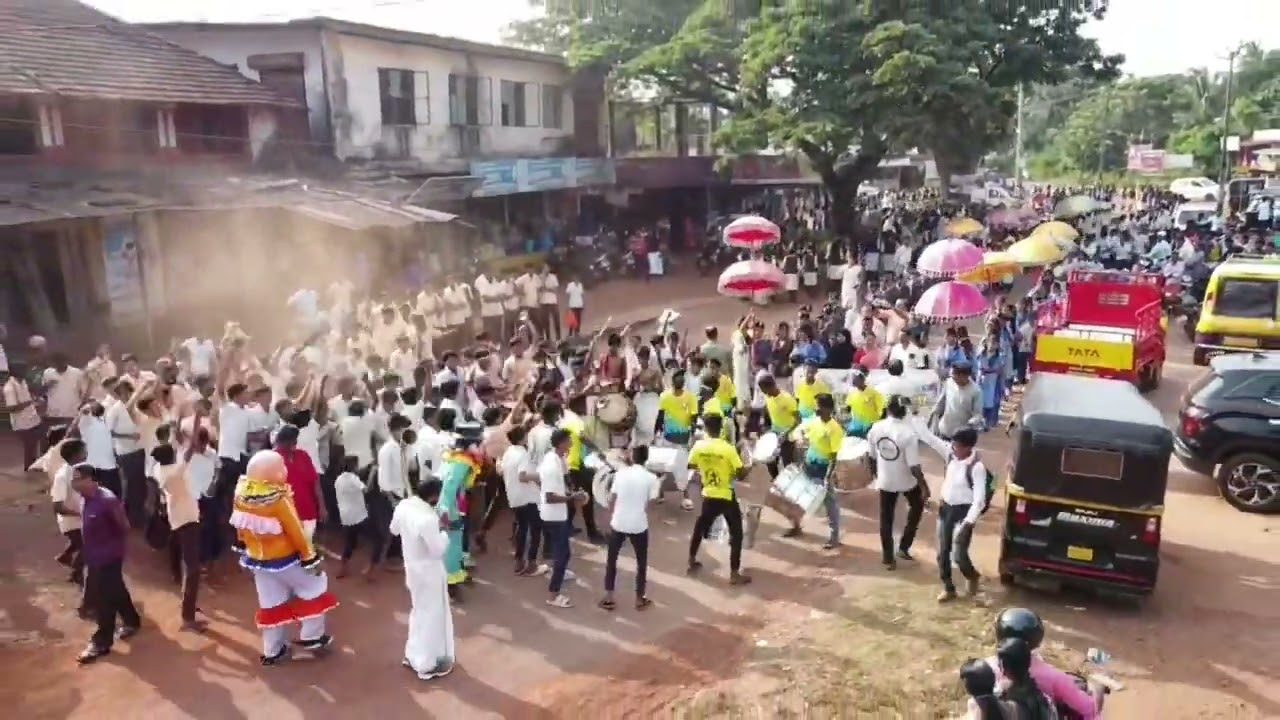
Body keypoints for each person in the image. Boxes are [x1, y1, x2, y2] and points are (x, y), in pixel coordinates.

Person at [230, 449, 338, 665]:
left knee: (271, 604)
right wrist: (310, 557)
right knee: (313, 588)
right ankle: (312, 636)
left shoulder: (241, 494)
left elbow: (240, 528)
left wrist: (243, 550)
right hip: (286, 559)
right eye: (281, 467)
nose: (285, 470)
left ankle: (273, 651)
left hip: (258, 561)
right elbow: (295, 530)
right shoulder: (278, 499)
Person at [72, 462, 141, 664]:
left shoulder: (107, 500)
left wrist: (110, 546)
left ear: (90, 479)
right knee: (115, 588)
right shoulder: (85, 498)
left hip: (109, 556)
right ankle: (132, 620)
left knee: (105, 597)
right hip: (94, 556)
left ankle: (101, 642)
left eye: (77, 478)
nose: (73, 483)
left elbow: (124, 526)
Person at [390, 477, 456, 681]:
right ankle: (427, 665)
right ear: (434, 496)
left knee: (418, 612)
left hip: (412, 570)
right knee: (431, 616)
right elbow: (437, 550)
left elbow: (394, 529)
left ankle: (413, 655)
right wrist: (444, 531)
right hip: (429, 574)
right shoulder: (428, 518)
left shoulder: (403, 506)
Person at [988, 608, 1101, 719]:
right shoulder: (1053, 677)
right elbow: (1088, 708)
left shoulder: (987, 668)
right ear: (1037, 639)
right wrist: (1096, 693)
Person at [916, 425, 985, 600]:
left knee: (959, 555)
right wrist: (911, 417)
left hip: (963, 514)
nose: (953, 449)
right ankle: (948, 587)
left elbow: (979, 500)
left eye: (957, 446)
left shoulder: (977, 468)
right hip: (945, 509)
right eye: (953, 445)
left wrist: (968, 524)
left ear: (968, 447)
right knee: (942, 552)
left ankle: (972, 575)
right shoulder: (950, 454)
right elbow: (930, 438)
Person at [686, 414, 751, 585]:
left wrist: (706, 466)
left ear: (706, 428)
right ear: (721, 428)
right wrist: (750, 466)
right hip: (725, 494)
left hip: (708, 493)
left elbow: (691, 465)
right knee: (736, 533)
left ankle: (691, 560)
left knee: (700, 527)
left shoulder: (699, 446)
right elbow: (741, 474)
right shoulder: (727, 448)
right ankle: (734, 574)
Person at [866, 395, 928, 569]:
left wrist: (875, 476)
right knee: (917, 506)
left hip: (885, 480)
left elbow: (870, 456)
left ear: (887, 409)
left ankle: (888, 558)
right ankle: (904, 546)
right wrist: (924, 487)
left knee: (886, 518)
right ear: (904, 412)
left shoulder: (875, 428)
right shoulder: (908, 434)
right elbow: (914, 466)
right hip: (906, 481)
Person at [151, 443, 206, 632]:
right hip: (187, 520)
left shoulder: (159, 469)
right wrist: (198, 418)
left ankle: (188, 606)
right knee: (192, 569)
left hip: (178, 518)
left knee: (187, 565)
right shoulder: (175, 472)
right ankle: (188, 617)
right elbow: (191, 449)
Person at [600, 445, 660, 611]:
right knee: (641, 562)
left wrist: (610, 517)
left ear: (632, 457)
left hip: (618, 522)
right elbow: (652, 504)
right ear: (646, 458)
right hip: (638, 524)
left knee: (612, 560)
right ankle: (639, 598)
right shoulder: (652, 478)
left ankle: (609, 597)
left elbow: (612, 499)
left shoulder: (621, 473)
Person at [437, 421, 485, 598]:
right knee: (452, 544)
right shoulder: (462, 462)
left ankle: (457, 574)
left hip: (456, 503)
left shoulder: (455, 457)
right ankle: (451, 583)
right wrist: (446, 512)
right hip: (450, 507)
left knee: (456, 543)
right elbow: (449, 488)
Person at [540, 428, 585, 608]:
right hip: (553, 515)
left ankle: (557, 573)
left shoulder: (559, 458)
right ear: (561, 444)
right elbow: (550, 497)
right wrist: (572, 498)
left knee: (561, 551)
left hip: (559, 513)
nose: (572, 444)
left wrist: (573, 492)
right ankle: (553, 595)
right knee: (563, 553)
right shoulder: (551, 465)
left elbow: (565, 481)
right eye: (569, 441)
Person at [798, 393, 845, 549]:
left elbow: (833, 456)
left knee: (830, 503)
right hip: (810, 464)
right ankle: (796, 525)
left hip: (824, 468)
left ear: (828, 408)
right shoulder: (814, 422)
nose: (816, 409)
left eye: (819, 406)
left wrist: (828, 476)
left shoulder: (834, 429)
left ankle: (834, 537)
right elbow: (808, 441)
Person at [500, 426, 542, 575]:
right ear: (521, 438)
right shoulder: (523, 454)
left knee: (522, 527)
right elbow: (522, 476)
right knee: (536, 528)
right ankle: (531, 562)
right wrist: (539, 477)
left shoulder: (508, 452)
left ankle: (519, 560)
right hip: (528, 496)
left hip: (514, 496)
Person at [334, 455, 384, 579]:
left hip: (346, 517)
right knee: (379, 539)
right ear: (353, 466)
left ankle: (343, 568)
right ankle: (371, 570)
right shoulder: (353, 479)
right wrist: (372, 472)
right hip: (359, 516)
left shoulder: (339, 479)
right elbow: (367, 489)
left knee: (349, 543)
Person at [995, 638, 1059, 720]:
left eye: (999, 662)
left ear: (1004, 668)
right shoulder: (1045, 700)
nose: (997, 664)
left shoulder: (1007, 706)